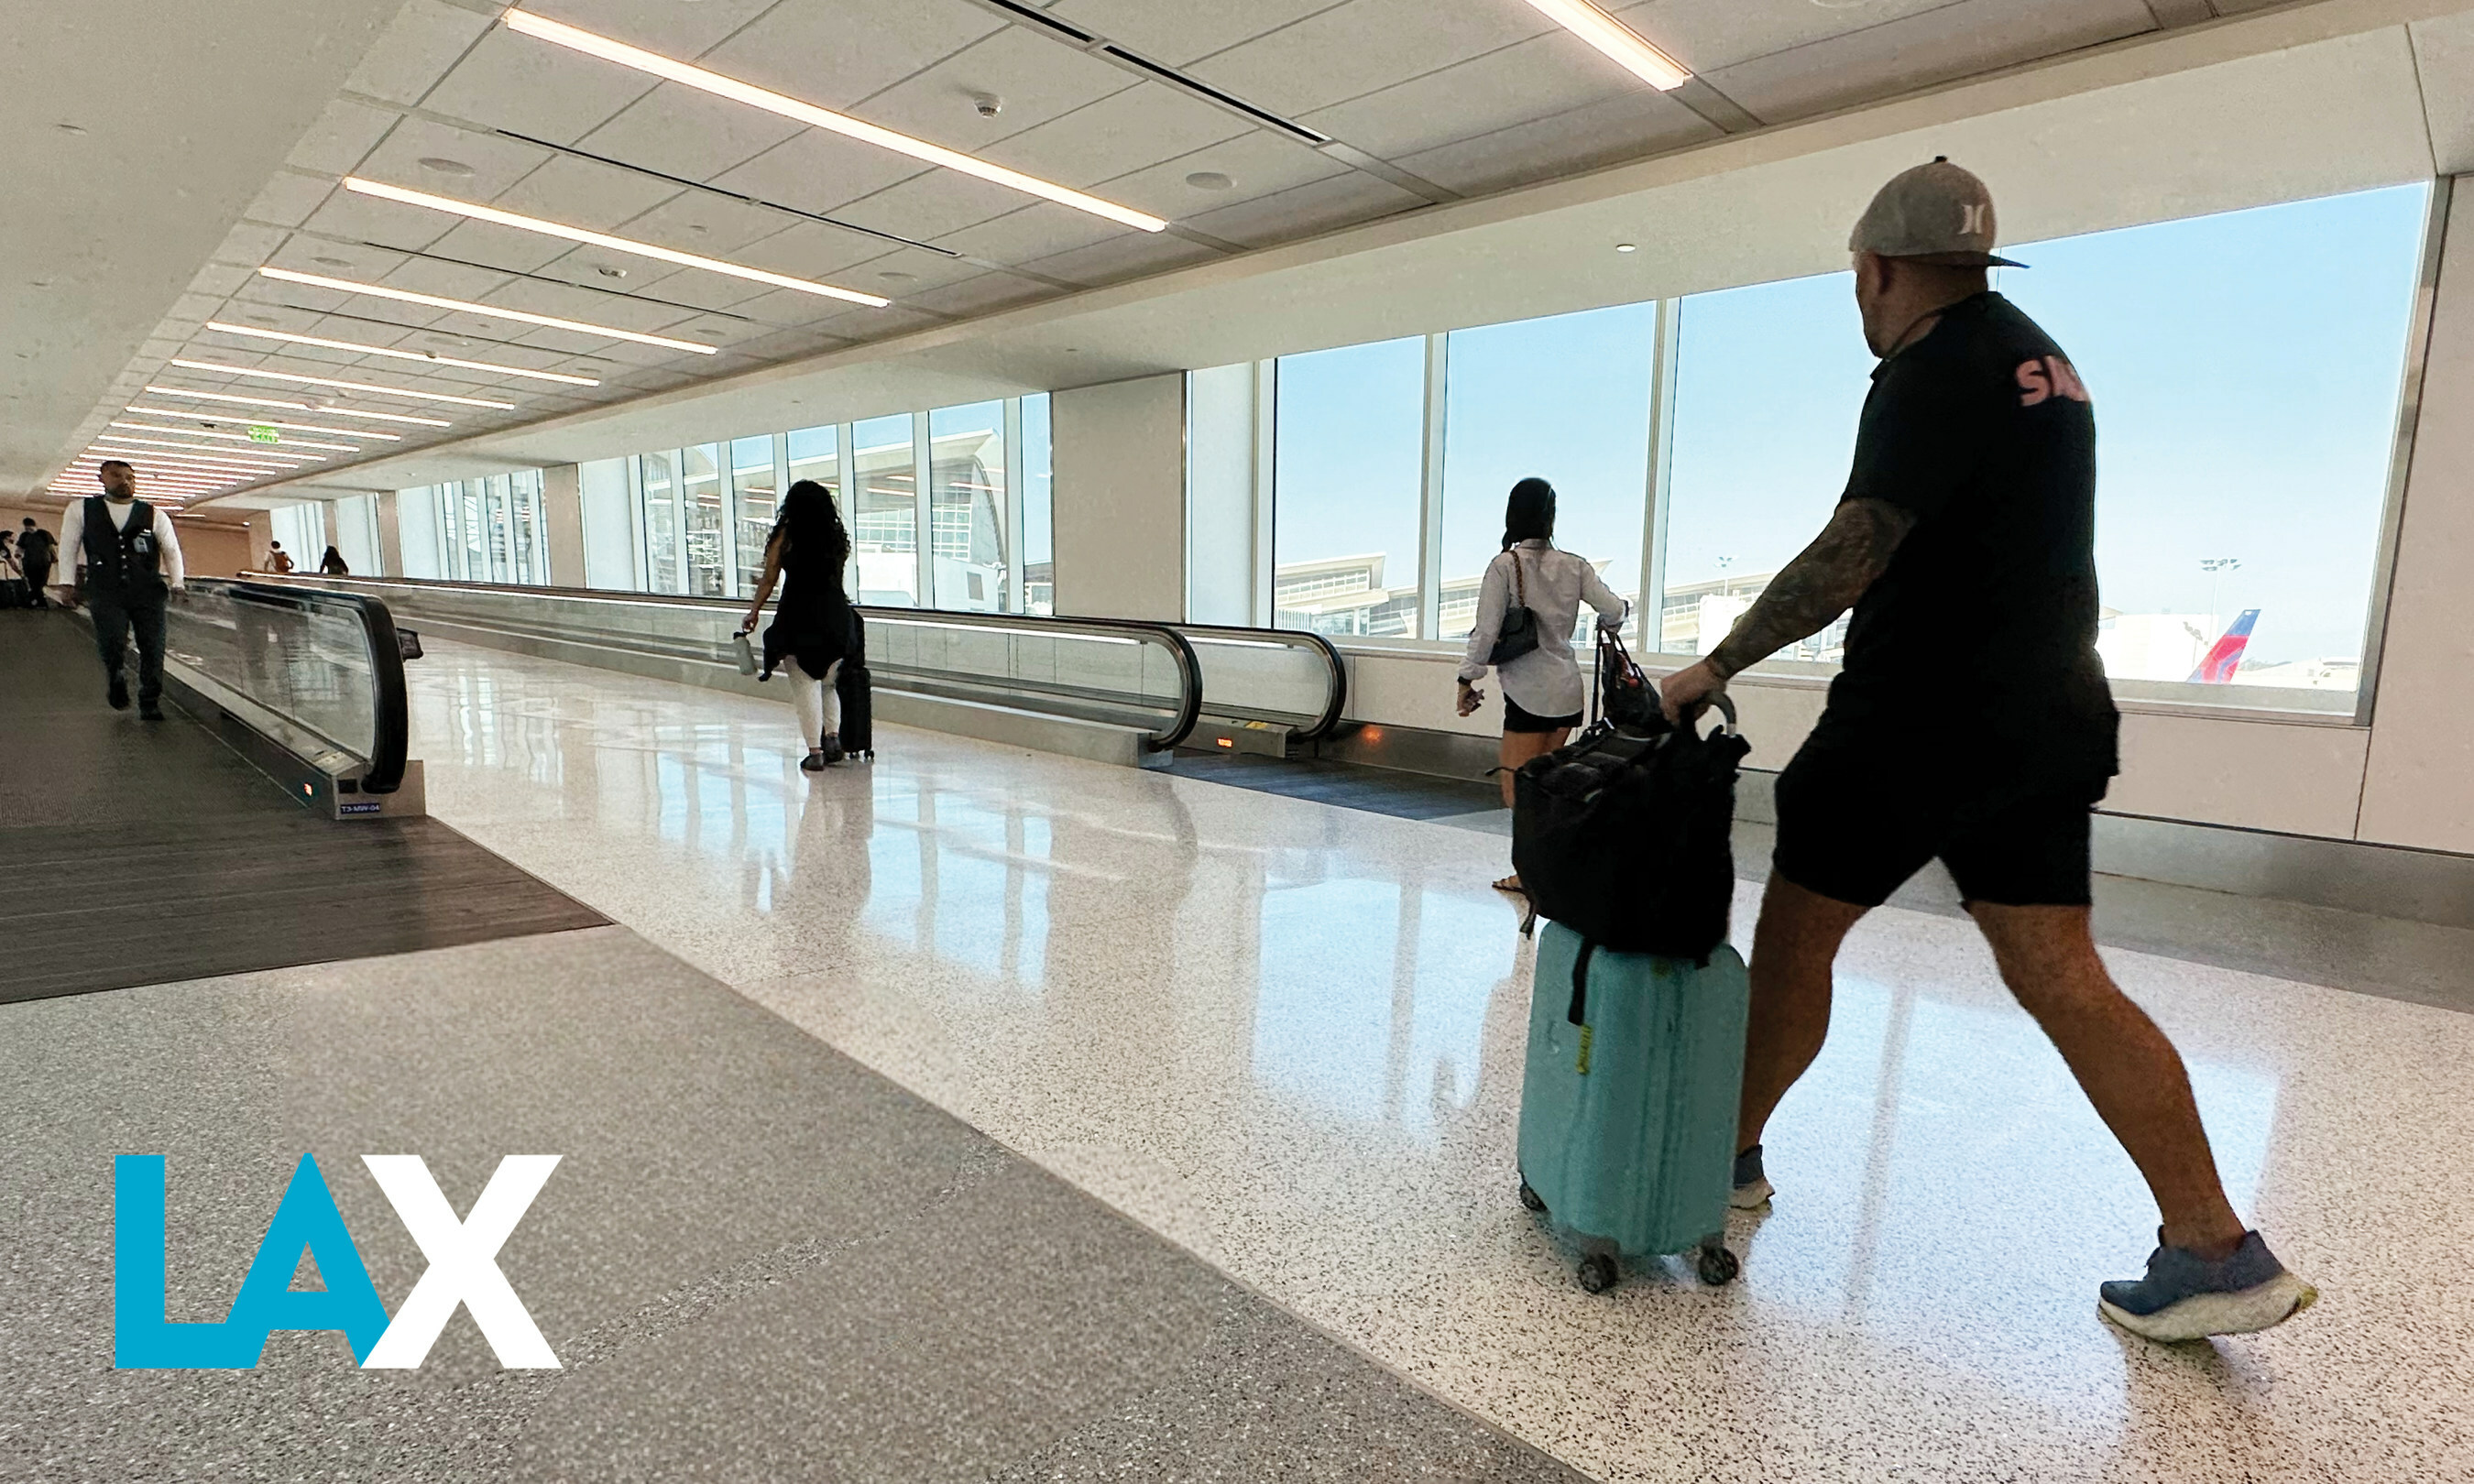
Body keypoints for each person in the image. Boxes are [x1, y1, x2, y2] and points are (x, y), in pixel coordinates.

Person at [1657, 159, 2315, 1342]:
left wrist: (1715, 665)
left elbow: (1856, 545)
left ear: (1879, 269)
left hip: (1917, 715)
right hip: (2049, 713)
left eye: (1859, 281)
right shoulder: (2044, 362)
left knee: (1799, 937)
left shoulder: (1928, 367)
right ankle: (2214, 1247)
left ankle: (1729, 1162)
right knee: (2062, 973)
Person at [1455, 476, 1628, 893]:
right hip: (1567, 692)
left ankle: (1531, 875)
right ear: (1551, 517)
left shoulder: (1503, 567)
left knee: (1519, 791)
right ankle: (1555, 868)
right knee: (1551, 787)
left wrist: (1467, 678)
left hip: (1528, 694)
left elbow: (1486, 631)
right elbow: (1613, 610)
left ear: (1512, 515)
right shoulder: (1575, 565)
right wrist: (1617, 616)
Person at [51, 460, 186, 719]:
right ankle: (116, 674)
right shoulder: (81, 509)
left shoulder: (154, 514)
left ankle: (150, 700)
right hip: (105, 590)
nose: (125, 481)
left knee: (153, 647)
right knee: (112, 641)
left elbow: (171, 550)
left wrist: (178, 583)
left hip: (148, 591)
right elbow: (68, 547)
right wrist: (67, 583)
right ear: (101, 479)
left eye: (131, 477)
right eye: (116, 476)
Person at [738, 479, 855, 773]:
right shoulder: (835, 536)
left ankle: (815, 752)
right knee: (828, 683)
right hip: (838, 617)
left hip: (800, 618)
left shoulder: (787, 535)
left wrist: (754, 611)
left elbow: (769, 578)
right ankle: (832, 739)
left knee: (805, 684)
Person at [17, 518, 58, 608]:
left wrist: (54, 557)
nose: (29, 530)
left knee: (41, 582)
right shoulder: (24, 535)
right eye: (27, 529)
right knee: (32, 582)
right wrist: (18, 554)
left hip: (43, 562)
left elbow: (51, 547)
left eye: (30, 528)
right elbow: (20, 548)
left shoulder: (44, 534)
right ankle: (38, 602)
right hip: (29, 562)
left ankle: (36, 601)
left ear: (35, 526)